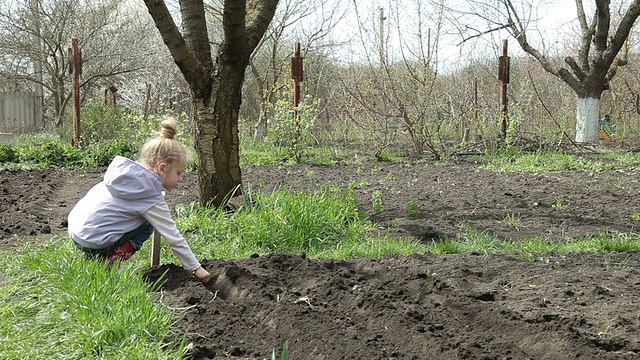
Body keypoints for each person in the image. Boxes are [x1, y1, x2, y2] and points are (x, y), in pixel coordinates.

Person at [68, 118, 212, 283]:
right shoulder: (151, 198)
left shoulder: (124, 177)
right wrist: (197, 269)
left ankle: (95, 258)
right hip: (93, 241)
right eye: (178, 173)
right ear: (162, 168)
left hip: (77, 233)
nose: (180, 179)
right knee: (148, 224)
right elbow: (173, 236)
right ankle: (109, 262)